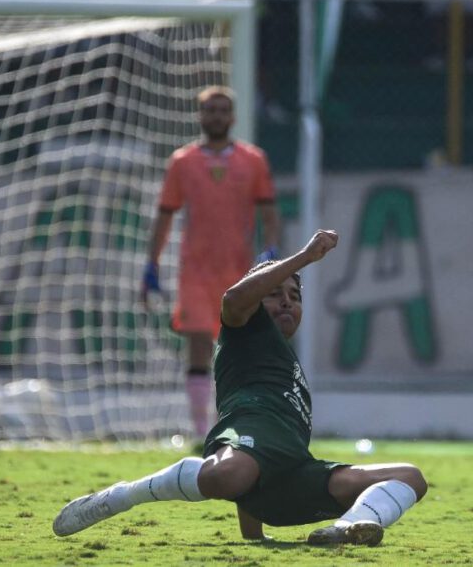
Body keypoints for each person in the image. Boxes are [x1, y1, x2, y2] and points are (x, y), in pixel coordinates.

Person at [56, 230, 428, 545]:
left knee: (411, 476)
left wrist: (254, 537)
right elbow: (234, 301)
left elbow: (263, 454)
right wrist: (302, 258)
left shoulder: (284, 361)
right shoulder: (244, 330)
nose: (287, 300)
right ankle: (122, 495)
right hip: (248, 450)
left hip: (291, 475)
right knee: (228, 473)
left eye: (295, 296)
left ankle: (345, 529)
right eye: (275, 293)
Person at [141, 85, 280, 439]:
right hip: (196, 271)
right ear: (200, 116)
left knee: (237, 349)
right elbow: (165, 215)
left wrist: (272, 254)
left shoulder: (254, 160)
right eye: (210, 110)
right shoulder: (182, 162)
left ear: (232, 117)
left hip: (238, 270)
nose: (216, 116)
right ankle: (202, 431)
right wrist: (151, 264)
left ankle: (232, 423)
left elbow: (269, 214)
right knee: (200, 347)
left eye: (222, 110)